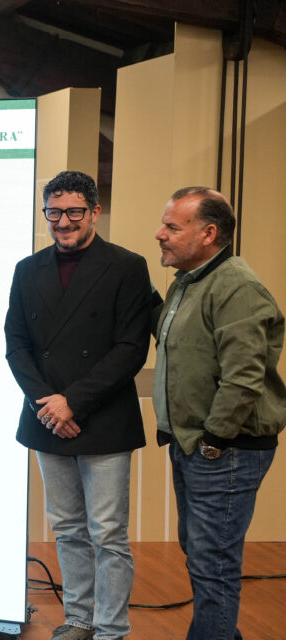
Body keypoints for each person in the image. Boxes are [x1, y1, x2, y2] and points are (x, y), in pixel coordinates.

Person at [3, 170, 155, 640]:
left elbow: (131, 348)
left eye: (73, 212)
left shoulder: (127, 266)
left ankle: (111, 629)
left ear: (94, 211)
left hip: (103, 417)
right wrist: (48, 405)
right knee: (68, 528)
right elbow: (16, 344)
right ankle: (79, 619)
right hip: (48, 417)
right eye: (54, 212)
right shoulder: (28, 269)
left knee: (108, 532)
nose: (63, 222)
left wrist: (73, 403)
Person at [153, 186, 285, 640]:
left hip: (223, 451)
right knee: (204, 555)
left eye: (173, 226)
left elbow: (244, 377)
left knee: (215, 567)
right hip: (195, 445)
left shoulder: (237, 287)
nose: (160, 234)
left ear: (209, 233)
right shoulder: (188, 284)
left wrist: (215, 439)